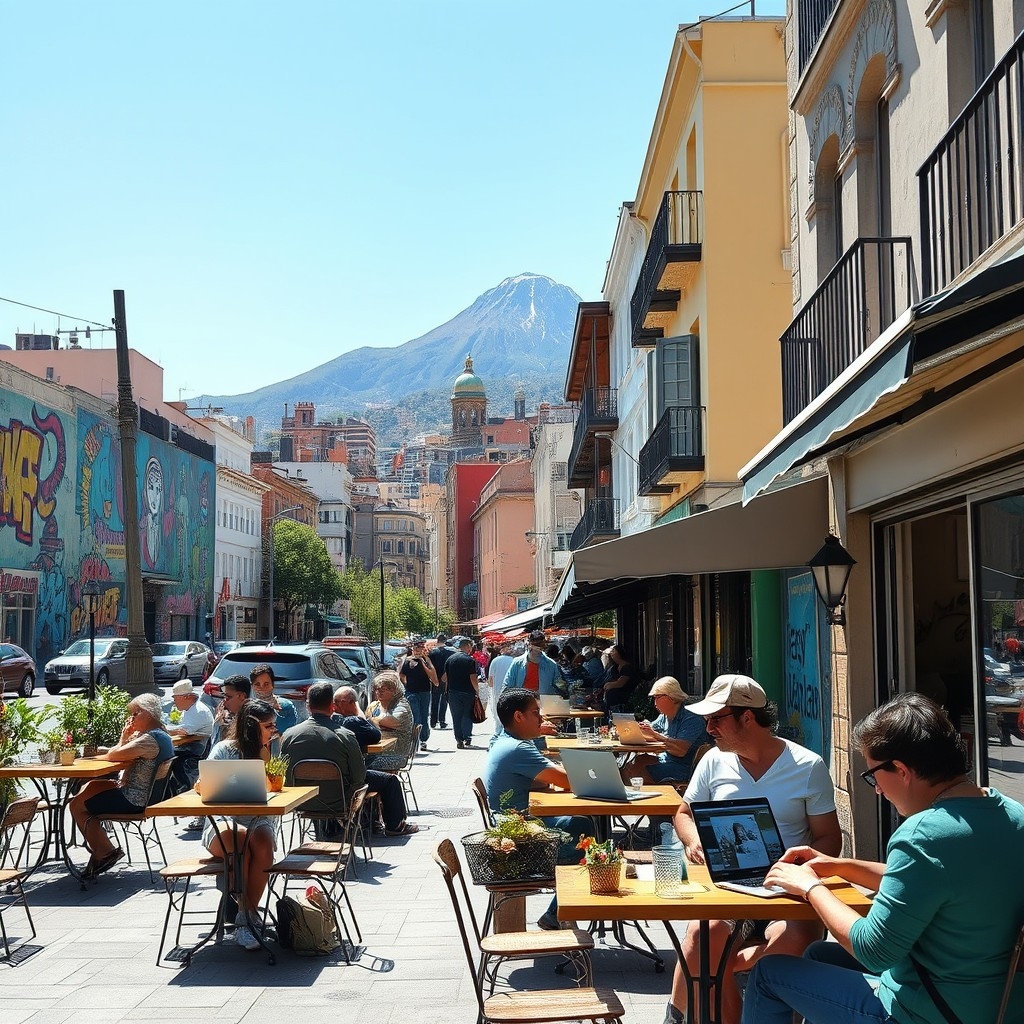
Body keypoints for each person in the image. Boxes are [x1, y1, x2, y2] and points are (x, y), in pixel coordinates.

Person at [743, 692, 1024, 1024]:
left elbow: (873, 951)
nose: (876, 789)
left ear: (902, 770)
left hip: (929, 1013)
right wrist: (840, 866)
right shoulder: (1010, 813)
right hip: (998, 1003)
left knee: (769, 973)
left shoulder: (922, 834)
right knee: (819, 954)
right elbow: (935, 881)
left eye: (872, 776)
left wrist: (810, 888)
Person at [667, 674, 842, 1024]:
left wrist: (799, 868)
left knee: (790, 943)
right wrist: (692, 839)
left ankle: (721, 981)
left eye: (716, 719)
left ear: (747, 717)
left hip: (787, 890)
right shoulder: (713, 761)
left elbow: (829, 839)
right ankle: (680, 1014)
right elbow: (684, 813)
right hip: (729, 883)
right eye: (706, 720)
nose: (708, 728)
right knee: (702, 938)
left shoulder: (807, 765)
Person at [483, 687, 593, 931]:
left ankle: (561, 910)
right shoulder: (519, 748)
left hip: (505, 825)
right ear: (519, 717)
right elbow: (569, 781)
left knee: (582, 825)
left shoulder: (503, 740)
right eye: (535, 713)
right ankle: (561, 911)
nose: (542, 719)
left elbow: (542, 780)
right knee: (583, 827)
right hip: (518, 838)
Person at [283, 681, 419, 839]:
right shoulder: (345, 736)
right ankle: (395, 826)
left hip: (302, 801)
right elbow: (359, 776)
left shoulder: (289, 735)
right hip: (339, 801)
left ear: (308, 706)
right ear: (332, 706)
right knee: (389, 781)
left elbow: (285, 774)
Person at [200, 698, 278, 951]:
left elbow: (274, 787)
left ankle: (246, 916)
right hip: (222, 821)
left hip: (258, 819)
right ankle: (245, 922)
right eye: (268, 726)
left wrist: (265, 761)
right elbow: (203, 782)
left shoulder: (267, 751)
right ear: (253, 727)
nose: (273, 731)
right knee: (240, 840)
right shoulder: (224, 749)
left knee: (264, 845)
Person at [69, 692, 175, 879]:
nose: (132, 718)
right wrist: (126, 738)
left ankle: (105, 852)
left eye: (136, 713)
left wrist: (123, 737)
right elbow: (117, 754)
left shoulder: (148, 740)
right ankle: (105, 849)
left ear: (148, 714)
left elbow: (113, 755)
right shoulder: (162, 735)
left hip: (133, 799)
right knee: (91, 786)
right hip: (147, 796)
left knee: (77, 805)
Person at [624, 676, 710, 785]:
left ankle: (653, 798)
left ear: (670, 697)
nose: (654, 702)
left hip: (683, 768)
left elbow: (680, 751)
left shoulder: (691, 718)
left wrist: (655, 735)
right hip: (666, 759)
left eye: (657, 697)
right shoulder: (664, 716)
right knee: (636, 762)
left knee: (638, 771)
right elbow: (649, 730)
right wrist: (631, 729)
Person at [167, 678, 214, 795]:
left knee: (167, 757)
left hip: (198, 751)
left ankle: (183, 790)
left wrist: (161, 728)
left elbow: (183, 731)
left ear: (186, 697)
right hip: (193, 747)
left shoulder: (198, 711)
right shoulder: (191, 709)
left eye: (175, 698)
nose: (174, 701)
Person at [364, 671, 416, 770]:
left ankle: (375, 784)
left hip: (395, 755)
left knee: (359, 765)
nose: (379, 692)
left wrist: (370, 719)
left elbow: (390, 721)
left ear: (395, 691)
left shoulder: (402, 706)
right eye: (377, 689)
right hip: (376, 751)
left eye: (384, 689)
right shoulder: (375, 705)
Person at [399, 638, 438, 751]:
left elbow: (433, 675)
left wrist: (423, 661)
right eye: (416, 648)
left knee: (424, 715)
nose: (418, 651)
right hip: (411, 692)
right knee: (416, 716)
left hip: (425, 692)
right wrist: (406, 683)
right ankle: (415, 741)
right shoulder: (406, 661)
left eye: (421, 648)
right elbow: (401, 674)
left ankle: (424, 740)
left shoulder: (426, 661)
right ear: (412, 649)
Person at [443, 636, 481, 749]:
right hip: (467, 692)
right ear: (468, 646)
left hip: (453, 692)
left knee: (456, 716)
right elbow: (473, 677)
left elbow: (445, 678)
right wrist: (477, 691)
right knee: (467, 715)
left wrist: (446, 692)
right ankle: (467, 737)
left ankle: (459, 739)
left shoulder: (450, 659)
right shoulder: (469, 660)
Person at [249, 662, 296, 749]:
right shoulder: (247, 709)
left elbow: (291, 734)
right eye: (257, 684)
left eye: (266, 684)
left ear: (272, 685)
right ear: (252, 686)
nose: (262, 688)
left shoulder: (285, 708)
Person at [503, 630, 564, 695]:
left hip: (542, 703)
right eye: (537, 646)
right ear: (530, 645)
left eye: (542, 647)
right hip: (522, 702)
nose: (539, 649)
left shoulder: (551, 665)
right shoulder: (517, 663)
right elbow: (507, 684)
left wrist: (566, 688)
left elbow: (559, 684)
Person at [332, 685, 382, 753]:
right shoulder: (351, 722)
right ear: (352, 703)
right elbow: (376, 736)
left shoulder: (330, 719)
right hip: (351, 762)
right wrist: (359, 711)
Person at [601, 644, 640, 715]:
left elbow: (621, 683)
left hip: (622, 701)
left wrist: (609, 685)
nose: (611, 653)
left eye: (614, 651)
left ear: (619, 654)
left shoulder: (627, 667)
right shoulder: (615, 667)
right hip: (612, 702)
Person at [212, 673, 250, 744]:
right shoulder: (224, 716)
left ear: (242, 696)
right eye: (224, 697)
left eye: (228, 697)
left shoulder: (250, 722)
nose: (224, 702)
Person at [486, 642, 516, 735]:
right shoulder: (514, 661)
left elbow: (490, 680)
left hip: (497, 692)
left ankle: (499, 733)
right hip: (511, 691)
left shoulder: (495, 661)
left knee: (498, 714)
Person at [428, 634, 453, 729]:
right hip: (445, 679)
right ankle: (442, 720)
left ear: (437, 641)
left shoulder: (432, 653)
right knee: (444, 700)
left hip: (434, 678)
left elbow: (429, 666)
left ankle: (433, 721)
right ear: (445, 641)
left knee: (434, 700)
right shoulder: (450, 653)